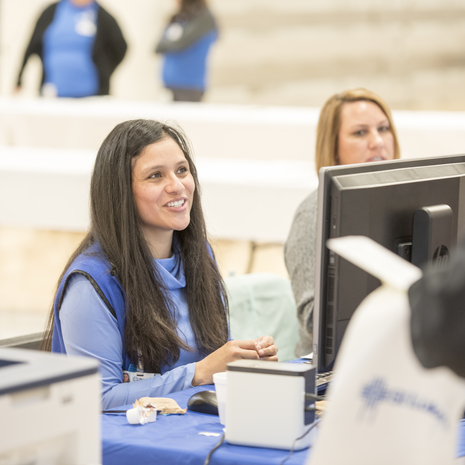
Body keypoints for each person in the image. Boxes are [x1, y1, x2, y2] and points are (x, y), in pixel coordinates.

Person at [42, 119, 278, 409]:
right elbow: (98, 398)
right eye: (155, 175)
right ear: (121, 193)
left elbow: (213, 360)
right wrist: (199, 373)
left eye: (182, 170)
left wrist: (242, 359)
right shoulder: (90, 284)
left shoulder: (199, 257)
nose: (177, 186)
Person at [284, 88, 401, 357]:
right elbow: (317, 323)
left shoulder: (402, 204)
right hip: (333, 371)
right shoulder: (313, 215)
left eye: (383, 129)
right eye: (360, 132)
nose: (377, 142)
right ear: (332, 147)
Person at [16, 0, 127, 98]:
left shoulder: (102, 16)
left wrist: (105, 70)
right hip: (52, 94)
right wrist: (19, 79)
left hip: (93, 96)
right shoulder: (51, 12)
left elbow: (121, 46)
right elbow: (31, 45)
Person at [155, 0, 218, 102]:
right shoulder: (180, 17)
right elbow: (158, 46)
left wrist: (165, 44)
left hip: (189, 86)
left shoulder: (203, 18)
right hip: (170, 84)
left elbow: (179, 43)